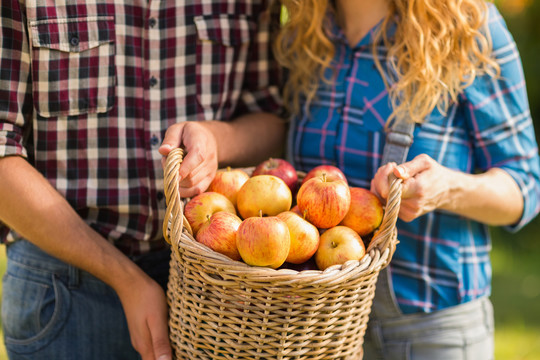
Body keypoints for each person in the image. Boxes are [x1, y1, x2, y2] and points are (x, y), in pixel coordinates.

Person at [162, 0, 540, 359]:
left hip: (428, 322)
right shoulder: (305, 35)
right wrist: (214, 138)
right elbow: (283, 143)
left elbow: (525, 186)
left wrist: (448, 188)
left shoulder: (468, 26)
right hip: (316, 327)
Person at [0, 1, 285, 359]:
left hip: (211, 286)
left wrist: (215, 138)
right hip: (64, 288)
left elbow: (273, 120)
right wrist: (126, 280)